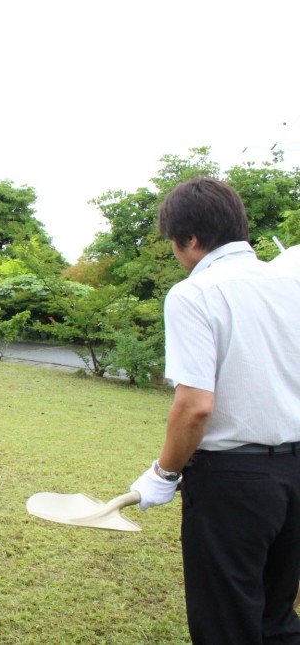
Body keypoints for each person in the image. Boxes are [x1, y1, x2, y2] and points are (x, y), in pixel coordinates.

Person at [129, 177, 300, 644]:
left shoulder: (194, 293)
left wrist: (164, 474)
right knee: (277, 615)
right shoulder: (289, 280)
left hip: (233, 483)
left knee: (226, 621)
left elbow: (195, 407)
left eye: (174, 245)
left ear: (190, 239)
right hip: (294, 472)